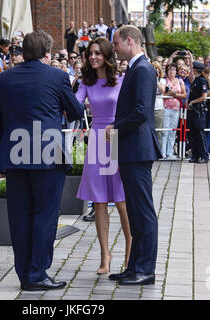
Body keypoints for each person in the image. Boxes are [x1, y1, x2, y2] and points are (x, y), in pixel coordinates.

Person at [0, 31, 84, 291]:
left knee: (20, 216)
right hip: (47, 154)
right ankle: (38, 272)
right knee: (45, 215)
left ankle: (24, 274)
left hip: (14, 156)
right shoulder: (57, 76)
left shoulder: (4, 79)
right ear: (47, 53)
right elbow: (75, 110)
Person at [106, 25, 161, 286]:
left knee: (143, 211)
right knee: (137, 211)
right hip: (131, 148)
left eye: (116, 43)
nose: (114, 48)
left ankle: (145, 269)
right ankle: (135, 266)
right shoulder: (135, 69)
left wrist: (114, 128)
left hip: (137, 149)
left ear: (130, 40)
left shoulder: (142, 69)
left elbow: (141, 112)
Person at [74, 38, 132, 275]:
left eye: (98, 53)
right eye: (90, 53)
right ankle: (105, 255)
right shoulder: (85, 82)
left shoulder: (122, 80)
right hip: (97, 140)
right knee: (99, 201)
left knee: (121, 201)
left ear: (107, 55)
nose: (93, 57)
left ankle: (130, 250)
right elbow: (76, 104)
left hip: (117, 138)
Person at [161, 63, 186, 159]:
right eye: (170, 69)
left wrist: (174, 95)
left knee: (173, 131)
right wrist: (169, 93)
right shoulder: (164, 80)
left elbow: (184, 95)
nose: (172, 71)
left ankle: (170, 152)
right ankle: (163, 152)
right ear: (167, 71)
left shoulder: (180, 81)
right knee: (165, 131)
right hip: (166, 108)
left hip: (176, 109)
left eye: (174, 69)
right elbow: (163, 93)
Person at [187, 61, 209, 163]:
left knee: (200, 133)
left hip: (199, 110)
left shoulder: (202, 81)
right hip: (193, 110)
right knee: (193, 134)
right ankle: (195, 155)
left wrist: (192, 102)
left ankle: (204, 155)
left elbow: (204, 96)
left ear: (196, 69)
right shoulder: (196, 80)